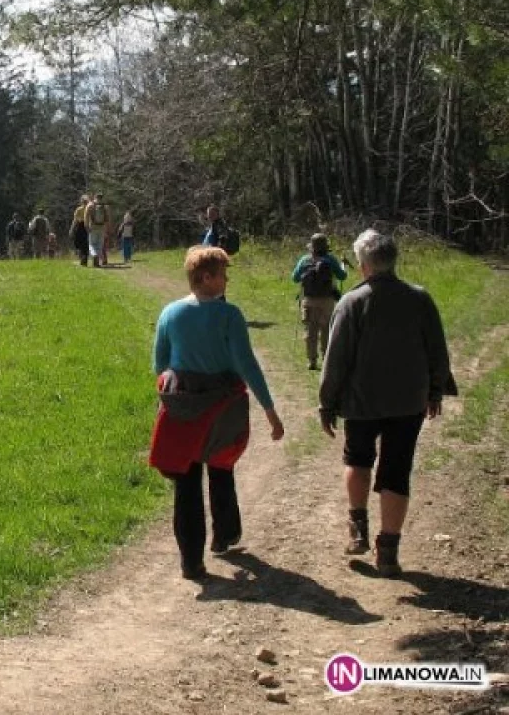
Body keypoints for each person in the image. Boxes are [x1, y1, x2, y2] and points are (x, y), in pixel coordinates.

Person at [318, 229, 455, 578]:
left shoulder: (352, 302)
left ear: (363, 265)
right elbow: (437, 350)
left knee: (358, 459)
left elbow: (336, 360)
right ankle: (388, 551)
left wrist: (327, 403)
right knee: (397, 470)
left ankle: (358, 529)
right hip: (409, 402)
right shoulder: (419, 299)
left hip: (362, 401)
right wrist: (436, 390)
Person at [150, 246, 284, 580]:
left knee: (187, 482)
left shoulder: (169, 314)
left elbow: (159, 366)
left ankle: (191, 563)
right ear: (205, 277)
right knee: (221, 467)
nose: (226, 279)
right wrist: (270, 410)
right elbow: (246, 364)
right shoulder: (229, 315)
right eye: (222, 273)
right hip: (224, 406)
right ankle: (224, 536)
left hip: (183, 408)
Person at [291, 233, 348, 370]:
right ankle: (326, 359)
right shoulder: (330, 260)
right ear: (326, 247)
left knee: (311, 331)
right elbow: (342, 276)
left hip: (309, 300)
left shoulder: (305, 260)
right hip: (327, 300)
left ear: (312, 247)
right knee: (326, 329)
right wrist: (343, 265)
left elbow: (295, 278)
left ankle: (312, 361)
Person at [85, 193, 110, 268]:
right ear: (102, 197)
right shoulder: (105, 206)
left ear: (95, 197)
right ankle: (97, 261)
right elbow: (107, 219)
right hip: (101, 227)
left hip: (93, 226)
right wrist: (107, 228)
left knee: (92, 244)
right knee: (100, 244)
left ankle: (94, 255)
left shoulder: (90, 205)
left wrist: (86, 226)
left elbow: (86, 216)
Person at [69, 194, 90, 266]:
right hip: (88, 227)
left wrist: (71, 229)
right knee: (86, 243)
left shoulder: (79, 209)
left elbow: (75, 221)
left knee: (79, 243)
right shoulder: (90, 208)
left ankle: (82, 258)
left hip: (80, 227)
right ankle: (85, 258)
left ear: (81, 201)